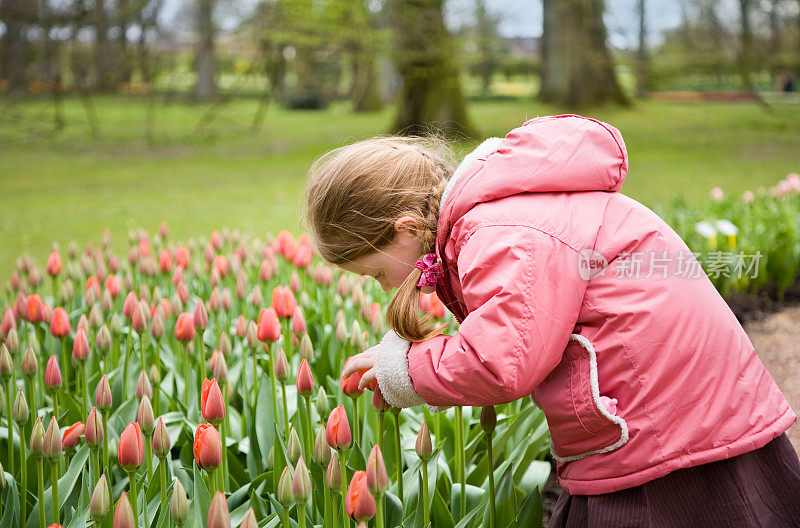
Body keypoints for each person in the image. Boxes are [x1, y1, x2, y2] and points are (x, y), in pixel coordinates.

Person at [303, 114, 800, 526]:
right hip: (680, 400)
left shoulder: (500, 233)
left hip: (656, 423)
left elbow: (502, 361)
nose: (386, 287)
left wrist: (404, 370)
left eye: (376, 272)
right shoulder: (503, 214)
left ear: (406, 229)